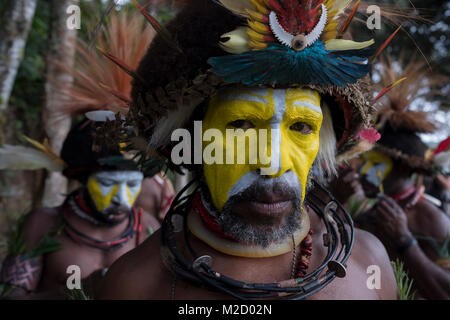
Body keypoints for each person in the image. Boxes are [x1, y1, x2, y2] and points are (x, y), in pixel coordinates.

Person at [98, 0, 399, 299]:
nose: (273, 162)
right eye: (241, 124)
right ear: (190, 138)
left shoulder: (368, 263)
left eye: (302, 127)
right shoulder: (135, 285)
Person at [0, 121, 159, 299]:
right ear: (85, 180)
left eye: (132, 184)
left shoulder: (149, 229)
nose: (121, 199)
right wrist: (73, 292)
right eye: (106, 183)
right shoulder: (43, 224)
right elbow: (10, 296)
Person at [356, 55, 450, 299]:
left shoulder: (432, 220)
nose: (363, 172)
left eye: (375, 164)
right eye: (364, 162)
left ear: (403, 167)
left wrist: (405, 242)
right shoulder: (371, 209)